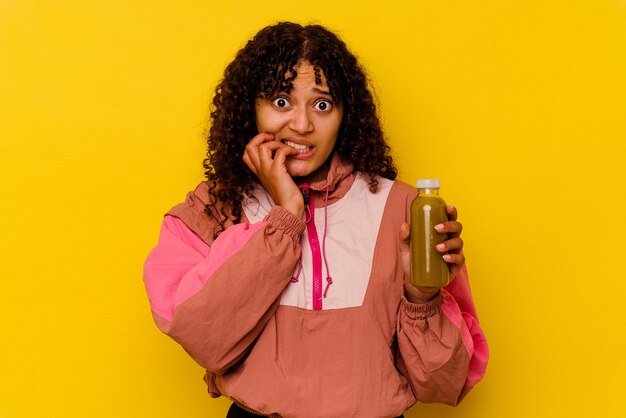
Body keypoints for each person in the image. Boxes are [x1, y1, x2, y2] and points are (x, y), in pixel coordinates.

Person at [143, 22, 488, 418]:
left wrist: (421, 296)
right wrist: (286, 215)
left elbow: (443, 384)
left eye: (322, 104)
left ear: (346, 115)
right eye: (281, 101)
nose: (302, 124)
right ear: (249, 109)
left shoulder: (405, 209)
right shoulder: (214, 208)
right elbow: (202, 335)